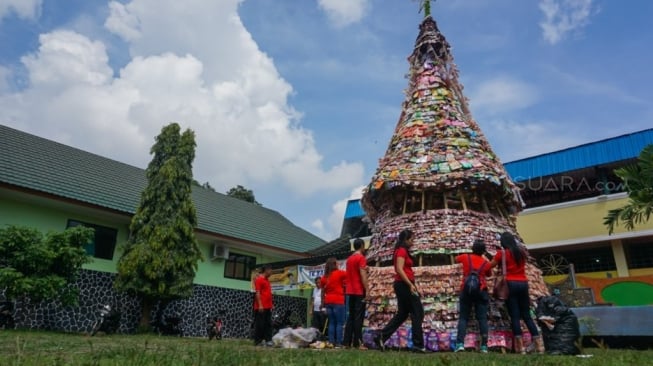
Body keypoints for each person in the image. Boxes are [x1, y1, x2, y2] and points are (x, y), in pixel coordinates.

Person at [490, 232, 544, 354]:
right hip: (523, 284)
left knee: (514, 316)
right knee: (526, 315)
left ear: (503, 242)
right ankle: (539, 346)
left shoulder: (502, 254)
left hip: (509, 284)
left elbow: (490, 266)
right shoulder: (521, 253)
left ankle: (520, 348)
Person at [374, 229, 426, 353]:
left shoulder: (402, 250)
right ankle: (418, 345)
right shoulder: (402, 250)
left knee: (402, 314)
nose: (412, 242)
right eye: (411, 240)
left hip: (404, 284)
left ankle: (382, 336)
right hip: (404, 284)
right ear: (405, 239)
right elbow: (399, 269)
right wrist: (410, 284)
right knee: (418, 312)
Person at [454, 239, 493, 353]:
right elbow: (489, 274)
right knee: (482, 318)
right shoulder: (485, 263)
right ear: (483, 251)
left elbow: (456, 259)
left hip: (466, 290)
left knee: (463, 317)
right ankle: (484, 346)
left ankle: (460, 344)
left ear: (472, 248)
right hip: (481, 290)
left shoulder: (466, 257)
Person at [343, 238, 370, 350]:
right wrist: (367, 290)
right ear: (362, 246)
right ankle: (358, 343)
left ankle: (346, 342)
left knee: (351, 317)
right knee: (359, 317)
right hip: (359, 290)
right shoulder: (361, 258)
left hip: (350, 290)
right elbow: (363, 276)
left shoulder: (349, 259)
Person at [320, 257, 347, 348]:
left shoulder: (324, 278)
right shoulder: (339, 273)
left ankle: (331, 342)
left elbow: (322, 291)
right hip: (338, 301)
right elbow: (350, 274)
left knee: (331, 322)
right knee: (339, 323)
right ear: (334, 264)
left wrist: (322, 303)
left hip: (328, 301)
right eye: (337, 263)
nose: (338, 264)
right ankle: (338, 343)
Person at [253, 265, 274, 347]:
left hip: (268, 306)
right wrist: (260, 305)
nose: (271, 272)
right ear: (266, 270)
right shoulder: (259, 280)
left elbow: (267, 294)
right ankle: (258, 341)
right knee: (260, 324)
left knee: (268, 324)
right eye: (270, 270)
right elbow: (257, 293)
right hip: (261, 307)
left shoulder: (267, 280)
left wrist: (272, 304)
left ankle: (268, 340)